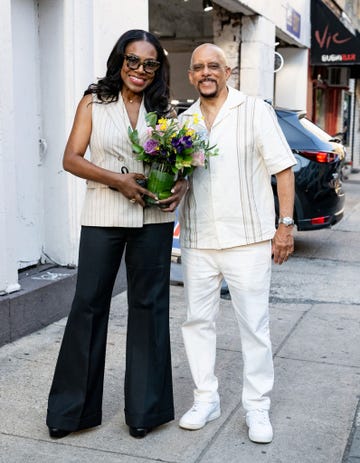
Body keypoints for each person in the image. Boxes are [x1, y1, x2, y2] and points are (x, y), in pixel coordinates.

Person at [46, 29, 187, 440]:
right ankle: (71, 412)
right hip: (103, 213)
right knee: (88, 306)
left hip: (153, 220)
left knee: (149, 308)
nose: (139, 70)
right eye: (132, 60)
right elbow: (71, 159)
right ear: (119, 61)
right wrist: (117, 181)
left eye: (149, 64)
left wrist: (180, 185)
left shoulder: (164, 109)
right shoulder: (94, 101)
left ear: (158, 69)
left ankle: (145, 411)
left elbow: (178, 163)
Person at [177, 44, 296, 444]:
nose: (206, 72)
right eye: (198, 68)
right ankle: (205, 398)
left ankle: (257, 406)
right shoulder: (184, 122)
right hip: (198, 240)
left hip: (248, 239)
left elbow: (283, 169)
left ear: (228, 71)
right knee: (197, 322)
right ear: (191, 76)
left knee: (254, 326)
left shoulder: (254, 111)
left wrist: (285, 227)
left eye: (214, 66)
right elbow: (181, 180)